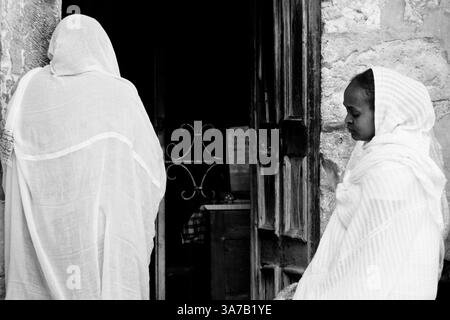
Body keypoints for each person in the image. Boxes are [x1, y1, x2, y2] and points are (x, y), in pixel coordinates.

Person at [0, 15, 166, 299]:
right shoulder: (121, 94)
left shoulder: (29, 88)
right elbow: (151, 170)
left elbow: (9, 156)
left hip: (44, 226)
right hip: (104, 230)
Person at [293, 67, 449, 300]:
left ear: (386, 114)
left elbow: (370, 252)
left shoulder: (393, 168)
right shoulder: (384, 156)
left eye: (354, 114)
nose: (346, 121)